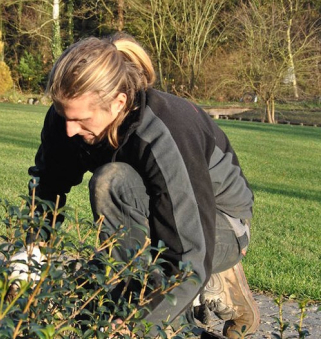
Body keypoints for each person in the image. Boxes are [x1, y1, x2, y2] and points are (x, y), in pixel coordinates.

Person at [25, 33, 260, 338]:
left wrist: (137, 324)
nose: (69, 129)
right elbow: (48, 185)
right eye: (62, 114)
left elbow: (189, 256)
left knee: (113, 182)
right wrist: (31, 251)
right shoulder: (67, 118)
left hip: (220, 226)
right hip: (158, 210)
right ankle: (159, 296)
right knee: (112, 186)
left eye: (81, 120)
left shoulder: (167, 132)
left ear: (118, 102)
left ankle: (213, 285)